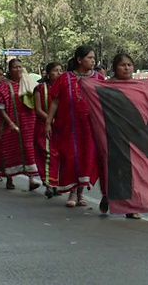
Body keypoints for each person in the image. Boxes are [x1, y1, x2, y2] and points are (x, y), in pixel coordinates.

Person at [45, 46, 104, 207]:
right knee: (70, 158)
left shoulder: (99, 78)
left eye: (94, 58)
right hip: (68, 127)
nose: (93, 61)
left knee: (87, 158)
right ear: (79, 60)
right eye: (89, 58)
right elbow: (55, 101)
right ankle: (71, 192)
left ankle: (81, 193)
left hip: (90, 128)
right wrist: (48, 122)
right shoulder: (65, 78)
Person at [100, 53, 141, 220]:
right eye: (122, 65)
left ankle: (129, 206)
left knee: (132, 171)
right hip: (111, 133)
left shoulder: (139, 86)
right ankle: (108, 195)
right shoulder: (106, 86)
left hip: (134, 134)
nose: (126, 68)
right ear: (115, 68)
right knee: (113, 169)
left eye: (129, 65)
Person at [0, 59, 40, 191]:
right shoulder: (4, 86)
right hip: (11, 126)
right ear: (10, 69)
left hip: (29, 124)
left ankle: (32, 179)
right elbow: (0, 107)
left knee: (29, 150)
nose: (18, 70)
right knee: (10, 151)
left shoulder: (28, 83)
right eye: (15, 67)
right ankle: (10, 178)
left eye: (20, 67)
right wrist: (10, 123)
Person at [34, 62, 62, 198]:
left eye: (61, 70)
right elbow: (38, 110)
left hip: (60, 128)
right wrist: (50, 120)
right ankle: (49, 184)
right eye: (56, 70)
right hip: (44, 127)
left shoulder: (64, 89)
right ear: (48, 73)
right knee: (48, 155)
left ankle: (56, 183)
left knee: (58, 156)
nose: (59, 73)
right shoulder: (40, 89)